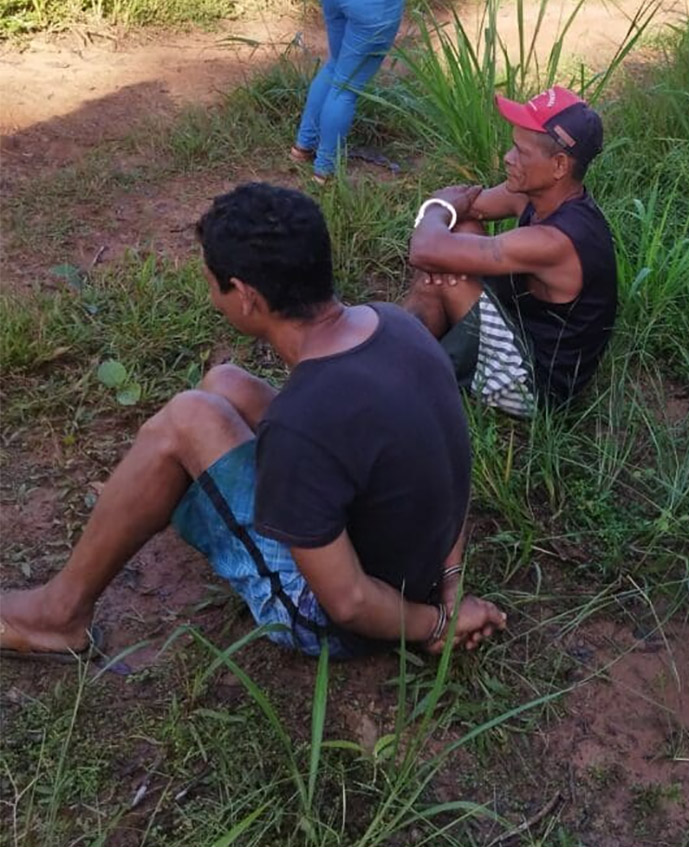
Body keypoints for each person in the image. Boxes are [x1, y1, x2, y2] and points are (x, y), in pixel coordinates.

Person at [0, 183, 505, 662]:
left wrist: (436, 622)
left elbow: (347, 603)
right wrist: (452, 580)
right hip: (419, 563)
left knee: (185, 420)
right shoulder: (396, 325)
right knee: (226, 384)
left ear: (245, 294)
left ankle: (61, 613)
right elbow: (446, 463)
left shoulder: (299, 423)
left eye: (210, 281)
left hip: (343, 620)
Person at [403, 86, 618, 417]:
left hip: (536, 386)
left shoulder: (555, 241)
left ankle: (396, 363)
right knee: (461, 233)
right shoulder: (539, 196)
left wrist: (435, 207)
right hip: (524, 325)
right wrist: (445, 218)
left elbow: (426, 248)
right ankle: (406, 351)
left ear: (559, 165)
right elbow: (467, 210)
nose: (507, 156)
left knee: (445, 270)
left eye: (520, 151)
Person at [290, 0, 405, 182]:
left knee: (334, 66)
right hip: (374, 8)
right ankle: (324, 170)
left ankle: (303, 146)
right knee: (346, 87)